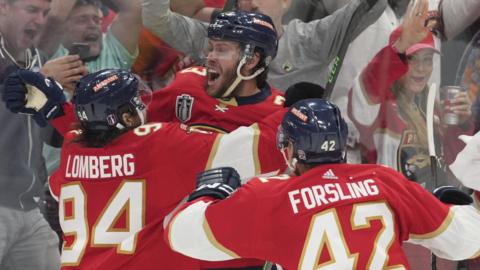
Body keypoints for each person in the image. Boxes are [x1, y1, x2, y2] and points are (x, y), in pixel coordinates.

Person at [1, 68, 290, 269]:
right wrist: (296, 113)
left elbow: (61, 182)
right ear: (126, 116)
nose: (144, 105)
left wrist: (55, 111)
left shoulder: (75, 149)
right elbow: (255, 150)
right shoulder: (161, 144)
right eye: (136, 101)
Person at [165, 98, 480, 270]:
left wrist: (207, 194)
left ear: (288, 150)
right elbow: (466, 242)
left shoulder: (267, 195)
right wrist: (457, 206)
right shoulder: (384, 181)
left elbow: (182, 237)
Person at [348, 0, 473, 190]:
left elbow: (454, 172)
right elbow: (364, 91)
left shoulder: (433, 108)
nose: (421, 69)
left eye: (428, 60)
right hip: (391, 209)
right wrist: (399, 47)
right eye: (411, 59)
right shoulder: (378, 104)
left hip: (429, 208)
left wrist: (461, 126)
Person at [142, 0, 387, 91]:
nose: (250, 3)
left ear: (285, 3)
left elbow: (368, 8)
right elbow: (154, 18)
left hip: (288, 163)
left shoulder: (311, 41)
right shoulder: (215, 39)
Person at [147, 11, 285, 133]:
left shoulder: (277, 116)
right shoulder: (186, 83)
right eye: (211, 48)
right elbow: (134, 122)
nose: (210, 57)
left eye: (222, 49)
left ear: (250, 61)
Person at [0, 0, 63, 269]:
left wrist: (66, 102)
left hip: (28, 205)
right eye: (31, 9)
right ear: (3, 7)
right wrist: (40, 79)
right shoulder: (41, 67)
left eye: (44, 13)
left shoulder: (39, 60)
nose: (39, 20)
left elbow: (52, 136)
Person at [37, 0, 142, 72]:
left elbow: (133, 8)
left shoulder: (111, 51)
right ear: (63, 28)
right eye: (82, 20)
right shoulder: (51, 54)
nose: (93, 25)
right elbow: (55, 17)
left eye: (97, 20)